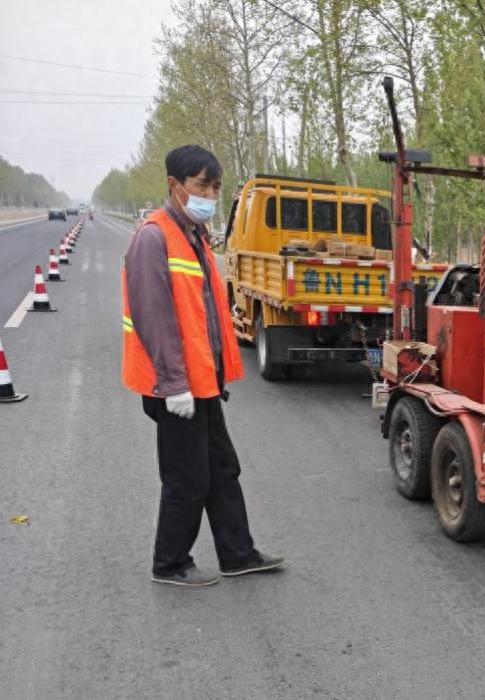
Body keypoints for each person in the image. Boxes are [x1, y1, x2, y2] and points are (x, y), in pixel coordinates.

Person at [122, 145, 284, 587]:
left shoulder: (193, 235)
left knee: (222, 469)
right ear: (174, 186)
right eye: (201, 185)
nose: (210, 194)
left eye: (214, 186)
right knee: (186, 477)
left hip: (202, 383)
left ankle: (238, 554)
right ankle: (170, 563)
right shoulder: (153, 238)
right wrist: (174, 386)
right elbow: (153, 319)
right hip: (174, 387)